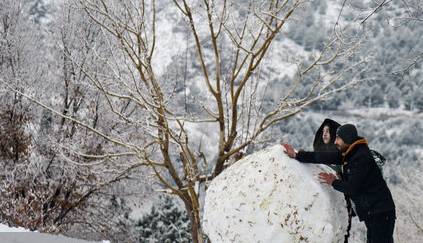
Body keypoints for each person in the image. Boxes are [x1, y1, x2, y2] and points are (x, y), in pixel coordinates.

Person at [283, 123, 396, 243]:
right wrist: (297, 155)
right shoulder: (350, 153)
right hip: (375, 212)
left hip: (380, 212)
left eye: (338, 138)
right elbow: (323, 157)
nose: (335, 142)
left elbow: (352, 188)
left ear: (346, 139)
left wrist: (333, 181)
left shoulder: (360, 158)